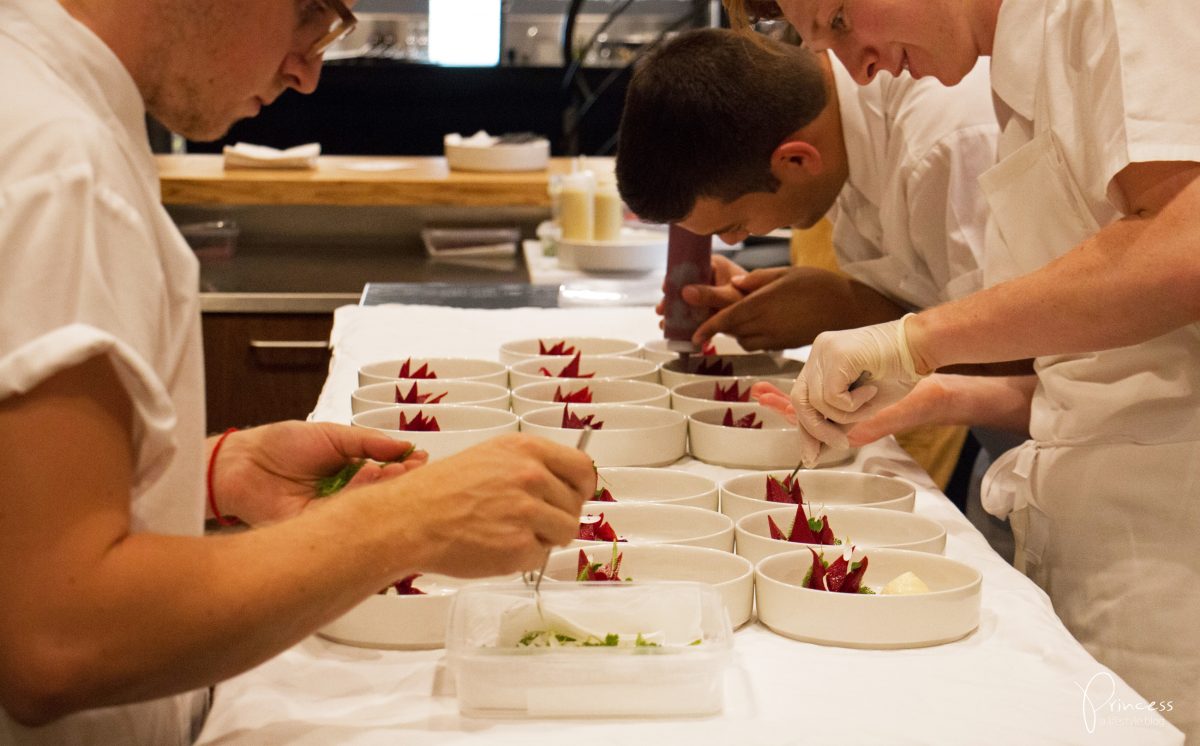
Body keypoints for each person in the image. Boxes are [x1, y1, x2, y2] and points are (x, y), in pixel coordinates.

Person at [0, 1, 595, 743]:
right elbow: (59, 637)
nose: (309, 71)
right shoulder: (59, 161)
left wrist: (216, 469)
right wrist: (412, 521)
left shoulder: (36, 97)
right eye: (310, 12)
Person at [726, 0, 1200, 734]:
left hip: (1173, 548)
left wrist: (915, 338)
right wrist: (937, 391)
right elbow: (1121, 361)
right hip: (1091, 531)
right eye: (818, 40)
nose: (858, 69)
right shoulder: (1014, 71)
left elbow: (1184, 251)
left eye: (843, 20)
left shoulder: (1116, 10)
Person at [614, 27, 1000, 491]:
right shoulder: (821, 110)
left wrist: (846, 309)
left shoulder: (944, 142)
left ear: (796, 161)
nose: (737, 241)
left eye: (732, 224)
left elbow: (1024, 351)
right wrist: (807, 295)